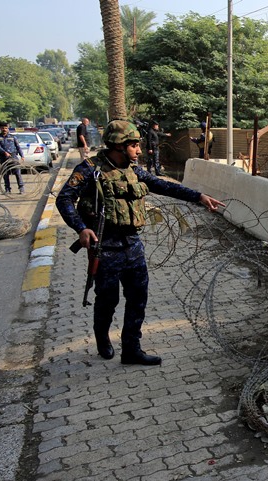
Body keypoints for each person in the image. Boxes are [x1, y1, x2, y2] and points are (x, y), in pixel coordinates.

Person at [56, 119, 225, 366]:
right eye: (134, 145)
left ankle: (131, 349)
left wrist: (198, 196)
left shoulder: (135, 170)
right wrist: (81, 229)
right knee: (107, 300)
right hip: (105, 247)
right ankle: (102, 337)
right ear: (119, 146)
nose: (138, 150)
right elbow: (64, 199)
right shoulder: (89, 169)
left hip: (133, 245)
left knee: (138, 299)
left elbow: (164, 186)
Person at [0, 121, 24, 194]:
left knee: (17, 173)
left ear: (8, 128)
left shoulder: (13, 137)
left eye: (6, 128)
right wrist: (5, 152)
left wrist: (22, 155)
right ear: (0, 128)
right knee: (5, 174)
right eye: (3, 128)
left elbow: (18, 147)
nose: (4, 129)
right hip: (3, 158)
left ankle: (21, 188)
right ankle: (7, 189)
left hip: (13, 157)